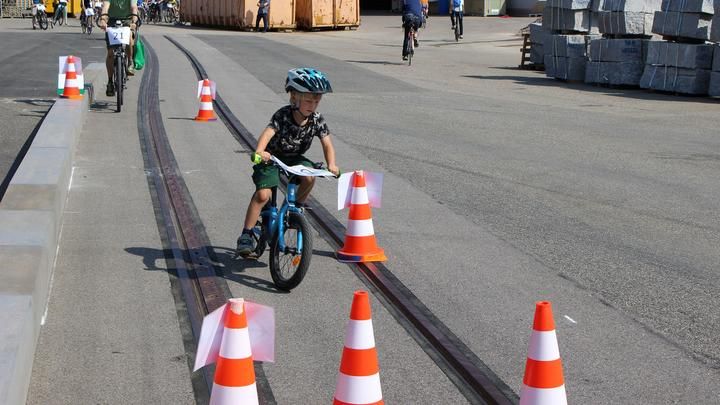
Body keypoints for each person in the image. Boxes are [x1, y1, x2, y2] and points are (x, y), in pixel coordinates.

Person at [236, 68, 339, 256]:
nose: (312, 105)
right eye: (308, 100)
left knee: (309, 177)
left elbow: (327, 143)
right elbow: (268, 132)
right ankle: (247, 234)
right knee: (263, 195)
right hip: (272, 156)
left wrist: (331, 164)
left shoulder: (317, 120)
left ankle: (296, 207)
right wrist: (260, 151)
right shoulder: (283, 115)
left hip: (295, 158)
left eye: (316, 101)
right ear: (294, 98)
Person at [98, 0, 139, 96]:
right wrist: (103, 20)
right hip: (112, 21)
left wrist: (133, 21)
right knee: (110, 53)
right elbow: (105, 7)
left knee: (129, 38)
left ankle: (130, 62)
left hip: (127, 20)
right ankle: (110, 82)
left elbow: (134, 8)